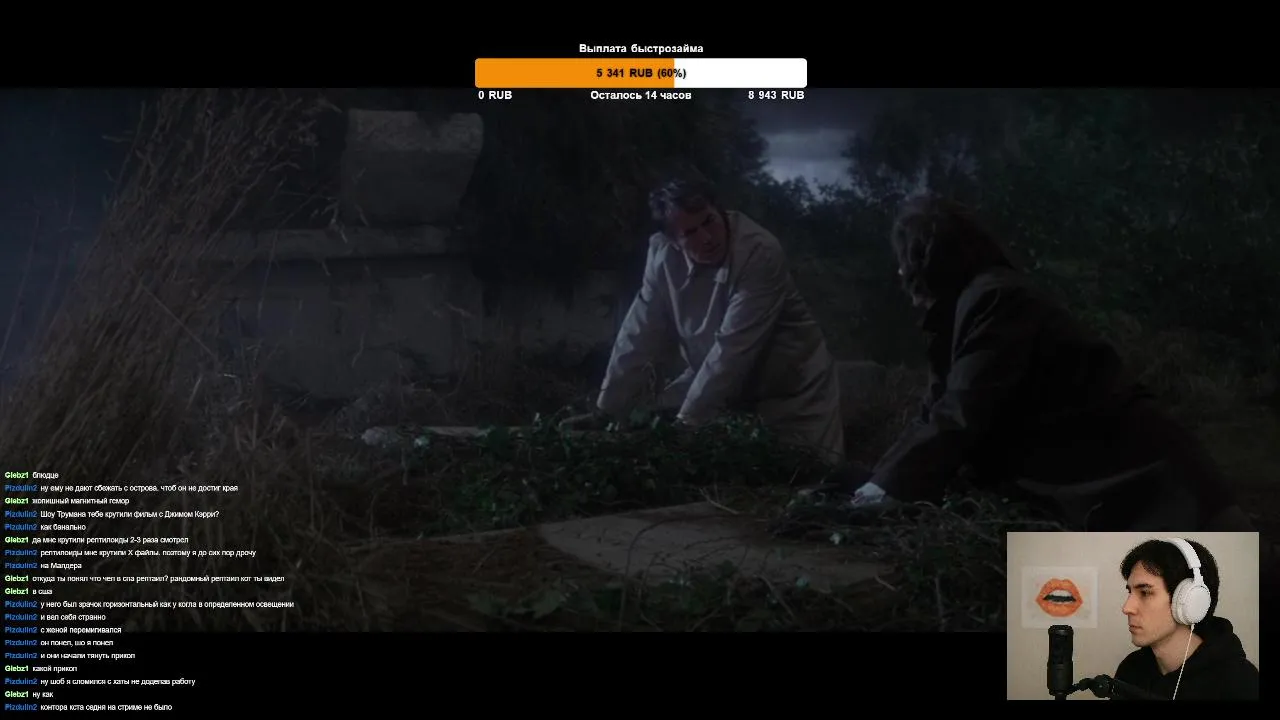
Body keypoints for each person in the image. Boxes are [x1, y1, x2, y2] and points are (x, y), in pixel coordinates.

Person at [847, 194, 1255, 532]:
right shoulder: (967, 309)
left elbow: (961, 412)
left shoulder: (995, 300)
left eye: (903, 260)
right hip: (1122, 477)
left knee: (1236, 584)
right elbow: (934, 410)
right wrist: (880, 482)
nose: (899, 271)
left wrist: (885, 489)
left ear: (926, 259)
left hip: (1147, 474)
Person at [561, 169, 845, 463]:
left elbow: (733, 351)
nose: (707, 238)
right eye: (690, 233)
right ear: (673, 240)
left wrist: (687, 425)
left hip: (792, 394)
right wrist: (606, 411)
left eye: (709, 221)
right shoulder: (662, 258)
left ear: (719, 210)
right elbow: (638, 335)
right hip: (725, 393)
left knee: (808, 475)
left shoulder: (759, 252)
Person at [1113, 538, 1259, 700]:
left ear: (1190, 601)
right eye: (1130, 592)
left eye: (1145, 592)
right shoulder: (1130, 670)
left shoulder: (1240, 683)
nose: (1127, 608)